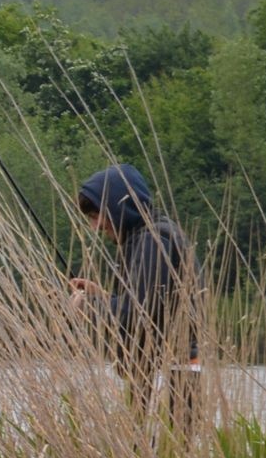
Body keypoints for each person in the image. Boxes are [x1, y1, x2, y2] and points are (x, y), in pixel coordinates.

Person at [69, 163, 195, 397]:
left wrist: (88, 305)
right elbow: (154, 304)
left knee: (168, 425)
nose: (95, 227)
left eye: (96, 216)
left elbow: (137, 313)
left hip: (176, 371)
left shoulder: (151, 241)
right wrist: (104, 296)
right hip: (174, 367)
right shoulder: (154, 234)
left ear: (119, 208)